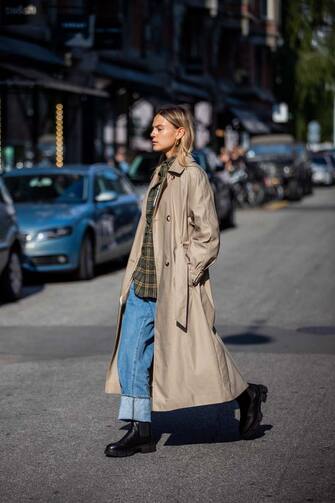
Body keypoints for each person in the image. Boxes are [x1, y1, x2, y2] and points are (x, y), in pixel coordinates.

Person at [104, 104, 268, 457]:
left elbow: (207, 235)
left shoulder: (191, 174)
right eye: (152, 127)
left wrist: (185, 272)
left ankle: (247, 395)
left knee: (201, 354)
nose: (152, 133)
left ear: (180, 132)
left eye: (159, 127)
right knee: (132, 355)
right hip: (143, 279)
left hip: (174, 282)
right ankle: (141, 430)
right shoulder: (159, 171)